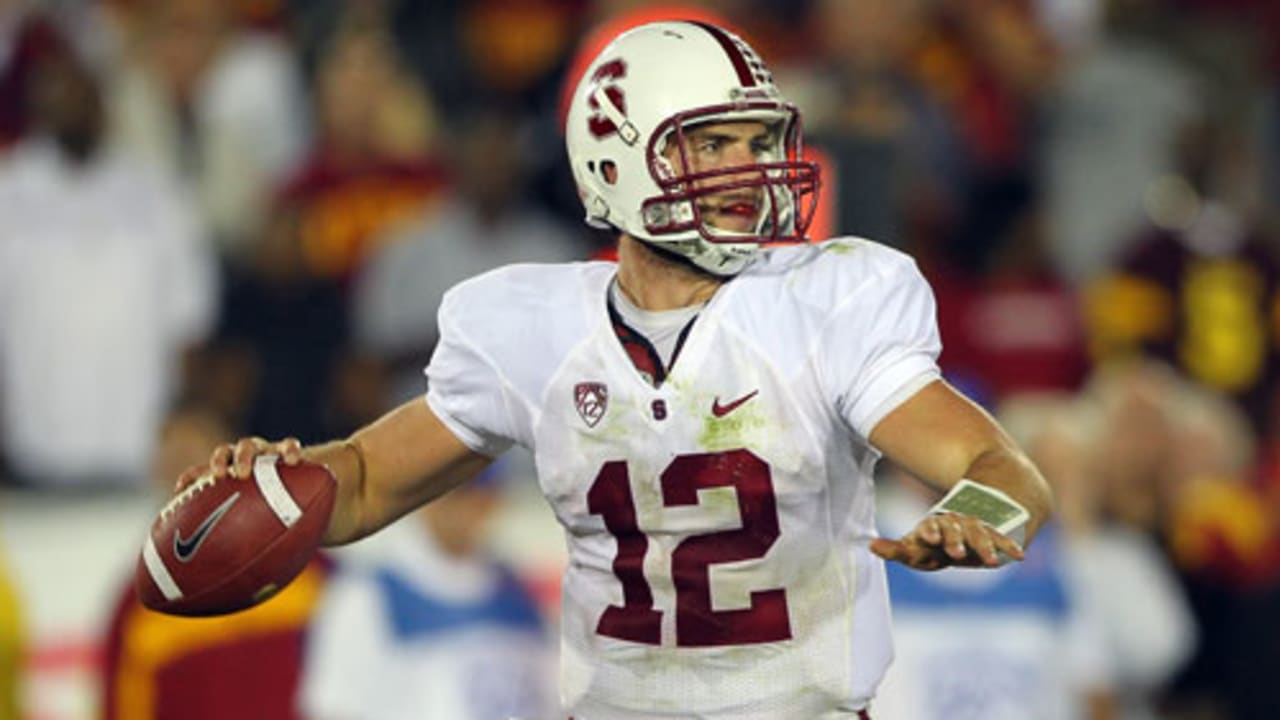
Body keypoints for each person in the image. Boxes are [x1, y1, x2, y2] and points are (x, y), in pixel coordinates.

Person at [177, 21, 1052, 719]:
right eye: (713, 146)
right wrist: (282, 484)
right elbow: (366, 481)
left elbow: (1002, 469)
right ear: (617, 159)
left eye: (757, 141)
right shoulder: (532, 327)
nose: (749, 170)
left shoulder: (825, 302)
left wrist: (975, 514)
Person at [299, 463, 554, 720]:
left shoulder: (518, 593)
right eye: (458, 496)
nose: (472, 509)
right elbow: (336, 708)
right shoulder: (369, 595)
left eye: (484, 494)